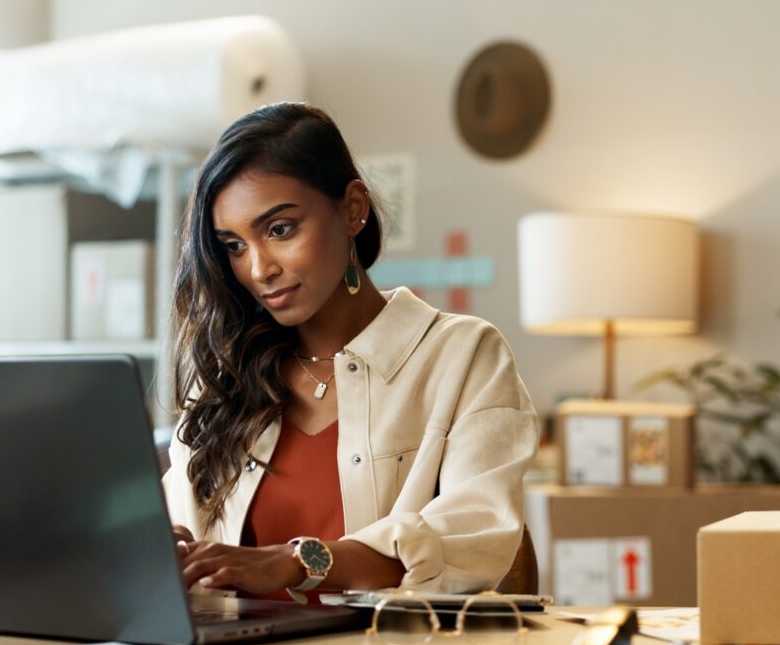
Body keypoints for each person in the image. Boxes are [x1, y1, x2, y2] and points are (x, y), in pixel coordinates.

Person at [164, 102, 539, 601]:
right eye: (233, 245)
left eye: (279, 230)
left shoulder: (465, 356)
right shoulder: (225, 373)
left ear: (353, 209)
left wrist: (295, 564)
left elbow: (477, 538)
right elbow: (181, 530)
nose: (258, 269)